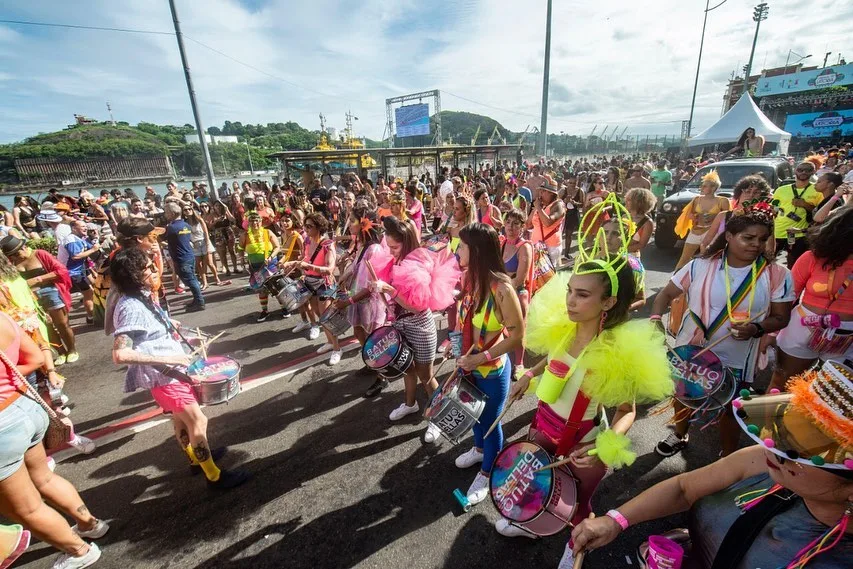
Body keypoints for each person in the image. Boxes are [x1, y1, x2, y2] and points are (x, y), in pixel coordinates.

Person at [570, 364, 852, 569]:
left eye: (799, 451)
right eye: (783, 431)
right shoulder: (763, 462)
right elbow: (684, 488)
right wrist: (615, 521)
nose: (774, 447)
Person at [499, 213, 672, 539]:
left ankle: (575, 549)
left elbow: (627, 411)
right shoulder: (564, 329)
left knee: (578, 508)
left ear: (607, 302)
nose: (570, 300)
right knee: (539, 485)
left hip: (584, 448)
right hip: (543, 428)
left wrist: (598, 449)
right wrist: (529, 375)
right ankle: (532, 524)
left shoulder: (616, 351)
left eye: (582, 295)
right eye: (570, 290)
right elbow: (555, 360)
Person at [653, 202, 794, 458]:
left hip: (738, 353)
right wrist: (655, 318)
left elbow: (781, 317)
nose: (756, 244)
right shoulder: (700, 266)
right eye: (748, 237)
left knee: (731, 406)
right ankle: (680, 433)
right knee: (685, 394)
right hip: (693, 347)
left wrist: (757, 327)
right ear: (728, 236)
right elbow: (666, 294)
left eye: (762, 239)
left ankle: (728, 455)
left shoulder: (776, 274)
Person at [110, 247, 249, 490]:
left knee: (180, 420)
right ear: (132, 275)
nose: (155, 270)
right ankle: (214, 477)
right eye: (148, 268)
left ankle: (196, 459)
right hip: (165, 376)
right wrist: (170, 358)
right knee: (198, 421)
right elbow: (121, 354)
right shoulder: (129, 306)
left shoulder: (140, 296)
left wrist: (167, 322)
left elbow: (147, 327)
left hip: (169, 375)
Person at [0, 314, 108, 569]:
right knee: (44, 478)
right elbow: (36, 358)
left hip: (3, 427)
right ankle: (90, 525)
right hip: (24, 407)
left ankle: (80, 551)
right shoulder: (3, 317)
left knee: (26, 509)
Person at [451, 223, 524, 504]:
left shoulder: (502, 288)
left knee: (489, 421)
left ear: (477, 251)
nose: (457, 251)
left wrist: (479, 358)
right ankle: (480, 450)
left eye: (463, 246)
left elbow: (518, 336)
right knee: (473, 415)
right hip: (469, 365)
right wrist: (455, 347)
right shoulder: (472, 278)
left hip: (492, 371)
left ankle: (488, 471)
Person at [369, 216, 459, 432]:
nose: (391, 251)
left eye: (395, 246)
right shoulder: (395, 260)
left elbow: (416, 307)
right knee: (408, 369)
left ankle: (439, 415)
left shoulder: (417, 264)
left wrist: (389, 290)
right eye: (388, 246)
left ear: (407, 241)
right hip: (401, 324)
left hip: (420, 325)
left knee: (426, 376)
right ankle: (410, 405)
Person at [769, 207, 853, 391]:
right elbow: (787, 298)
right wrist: (770, 333)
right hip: (802, 329)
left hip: (846, 340)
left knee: (832, 395)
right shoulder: (812, 258)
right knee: (781, 385)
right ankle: (765, 419)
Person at [333, 209, 388, 396]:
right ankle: (371, 362)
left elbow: (372, 286)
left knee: (374, 339)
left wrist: (348, 301)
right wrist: (343, 278)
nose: (350, 224)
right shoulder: (362, 245)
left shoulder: (375, 249)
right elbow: (356, 266)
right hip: (357, 298)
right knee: (358, 331)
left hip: (369, 302)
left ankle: (382, 377)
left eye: (353, 220)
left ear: (364, 224)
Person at [1, 236, 79, 365]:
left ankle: (71, 350)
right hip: (31, 298)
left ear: (24, 247)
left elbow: (61, 270)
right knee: (46, 327)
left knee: (62, 324)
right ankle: (61, 352)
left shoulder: (40, 254)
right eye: (11, 255)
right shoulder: (12, 263)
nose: (15, 257)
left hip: (50, 292)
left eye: (16, 253)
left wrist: (38, 279)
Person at [283, 213, 342, 365]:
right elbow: (306, 257)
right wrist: (293, 263)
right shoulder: (308, 240)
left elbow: (329, 269)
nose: (306, 229)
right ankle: (330, 342)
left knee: (327, 318)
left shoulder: (328, 244)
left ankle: (337, 348)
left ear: (319, 227)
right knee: (318, 313)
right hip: (310, 281)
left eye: (309, 226)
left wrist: (307, 266)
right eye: (305, 226)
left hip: (324, 284)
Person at [674, 170, 731, 270]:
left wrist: (715, 217)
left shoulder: (723, 201)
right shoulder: (697, 199)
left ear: (714, 187)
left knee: (709, 258)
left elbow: (727, 219)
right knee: (685, 258)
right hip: (696, 231)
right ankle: (676, 279)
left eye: (705, 186)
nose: (702, 188)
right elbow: (688, 214)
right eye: (703, 185)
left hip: (713, 232)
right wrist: (695, 217)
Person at [700, 175, 771, 253]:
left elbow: (769, 250)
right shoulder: (723, 216)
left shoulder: (764, 219)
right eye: (747, 191)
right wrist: (706, 259)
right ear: (739, 193)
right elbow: (705, 243)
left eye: (756, 192)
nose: (751, 195)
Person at [772, 160, 822, 269]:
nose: (803, 172)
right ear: (795, 171)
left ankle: (792, 285)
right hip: (779, 231)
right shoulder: (781, 189)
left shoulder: (818, 190)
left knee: (794, 264)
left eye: (808, 170)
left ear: (813, 171)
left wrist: (805, 205)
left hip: (799, 233)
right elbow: (773, 208)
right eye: (800, 169)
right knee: (770, 262)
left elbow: (820, 213)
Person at [501, 209, 533, 370]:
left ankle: (519, 363)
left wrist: (501, 288)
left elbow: (519, 278)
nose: (510, 227)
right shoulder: (502, 243)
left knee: (518, 331)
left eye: (515, 223)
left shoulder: (524, 247)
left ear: (522, 227)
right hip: (501, 292)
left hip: (517, 294)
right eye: (508, 222)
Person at [240, 212, 281, 322]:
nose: (255, 223)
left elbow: (277, 247)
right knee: (261, 289)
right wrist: (242, 259)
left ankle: (284, 307)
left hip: (270, 265)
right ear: (249, 223)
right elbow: (240, 249)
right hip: (255, 267)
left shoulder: (268, 232)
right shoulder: (245, 235)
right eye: (252, 221)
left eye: (257, 221)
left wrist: (270, 257)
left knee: (275, 287)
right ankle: (265, 311)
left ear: (261, 222)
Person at [164, 203, 205, 311]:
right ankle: (197, 300)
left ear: (172, 213)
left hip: (181, 258)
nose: (165, 214)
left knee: (190, 280)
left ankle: (200, 302)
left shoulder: (171, 228)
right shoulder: (186, 225)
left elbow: (161, 238)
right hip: (189, 255)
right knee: (192, 278)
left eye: (167, 212)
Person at [57, 219, 97, 324]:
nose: (86, 228)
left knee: (95, 285)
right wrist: (93, 250)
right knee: (89, 293)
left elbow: (93, 247)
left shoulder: (80, 238)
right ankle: (91, 317)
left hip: (81, 269)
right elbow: (75, 256)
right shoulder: (71, 240)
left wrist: (95, 237)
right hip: (72, 272)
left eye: (85, 226)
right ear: (74, 228)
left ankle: (95, 312)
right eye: (82, 226)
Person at [183, 204, 227, 290]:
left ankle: (217, 279)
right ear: (183, 212)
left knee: (209, 263)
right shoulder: (185, 223)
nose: (188, 211)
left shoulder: (199, 220)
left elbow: (206, 232)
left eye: (189, 209)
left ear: (192, 210)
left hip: (204, 241)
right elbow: (186, 235)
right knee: (199, 264)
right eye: (185, 210)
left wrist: (207, 244)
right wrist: (190, 242)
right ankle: (204, 282)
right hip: (195, 244)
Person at [527, 176, 566, 267]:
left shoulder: (558, 205)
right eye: (540, 191)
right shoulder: (541, 206)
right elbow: (528, 225)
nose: (540, 194)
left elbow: (548, 222)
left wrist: (539, 208)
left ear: (552, 194)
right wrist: (535, 209)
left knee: (548, 277)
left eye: (543, 191)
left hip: (551, 247)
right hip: (537, 246)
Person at [624, 187, 656, 259]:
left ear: (638, 202)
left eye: (629, 200)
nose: (625, 201)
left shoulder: (647, 223)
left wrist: (622, 251)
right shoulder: (624, 216)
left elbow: (642, 244)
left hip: (631, 257)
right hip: (614, 255)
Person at [209, 201, 239, 277]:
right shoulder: (212, 215)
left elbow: (233, 220)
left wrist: (227, 210)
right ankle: (227, 269)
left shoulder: (225, 212)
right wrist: (216, 221)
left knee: (232, 250)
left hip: (228, 231)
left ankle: (235, 268)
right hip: (218, 233)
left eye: (219, 205)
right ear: (214, 207)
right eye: (216, 205)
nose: (218, 207)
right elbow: (210, 226)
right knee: (222, 253)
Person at [561, 173, 584, 262]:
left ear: (577, 182)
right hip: (563, 214)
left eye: (574, 183)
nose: (572, 185)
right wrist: (564, 201)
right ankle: (558, 252)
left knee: (569, 235)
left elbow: (582, 204)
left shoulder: (580, 191)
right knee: (560, 233)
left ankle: (566, 254)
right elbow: (557, 201)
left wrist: (575, 203)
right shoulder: (563, 190)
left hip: (573, 214)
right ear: (567, 182)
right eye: (570, 183)